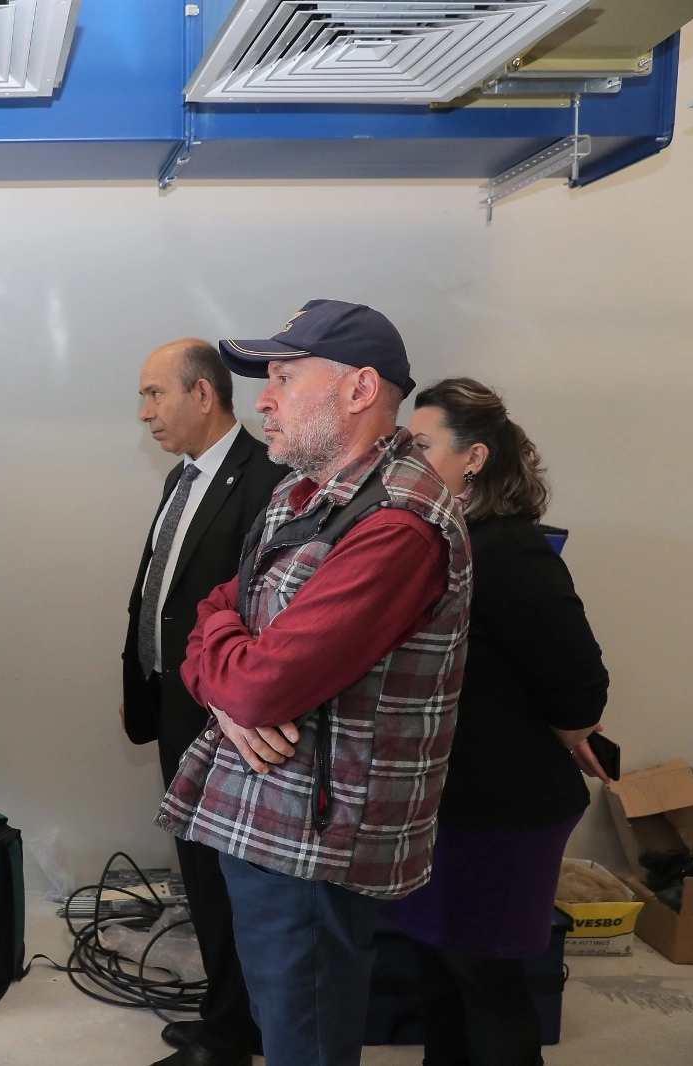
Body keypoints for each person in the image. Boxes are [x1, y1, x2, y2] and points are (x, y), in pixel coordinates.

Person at [157, 299, 472, 1066]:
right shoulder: (302, 495)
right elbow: (209, 613)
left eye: (285, 377)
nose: (263, 400)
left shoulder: (396, 524)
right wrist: (230, 690)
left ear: (359, 389)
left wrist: (236, 689)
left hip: (311, 844)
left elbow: (260, 686)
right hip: (271, 824)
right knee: (284, 1025)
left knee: (307, 1041)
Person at [388, 378, 609, 1066]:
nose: (406, 460)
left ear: (474, 459)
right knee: (437, 972)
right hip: (444, 804)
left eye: (421, 446)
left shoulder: (507, 549)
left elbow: (579, 683)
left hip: (501, 812)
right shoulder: (441, 542)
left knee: (483, 977)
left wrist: (571, 731)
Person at [121, 340, 284, 1066]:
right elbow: (159, 593)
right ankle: (228, 1013)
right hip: (174, 701)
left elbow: (264, 613)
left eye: (155, 394)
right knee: (200, 871)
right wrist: (142, 681)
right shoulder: (181, 478)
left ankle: (231, 1035)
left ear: (203, 395)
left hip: (224, 717)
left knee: (228, 878)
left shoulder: (266, 479)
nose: (145, 412)